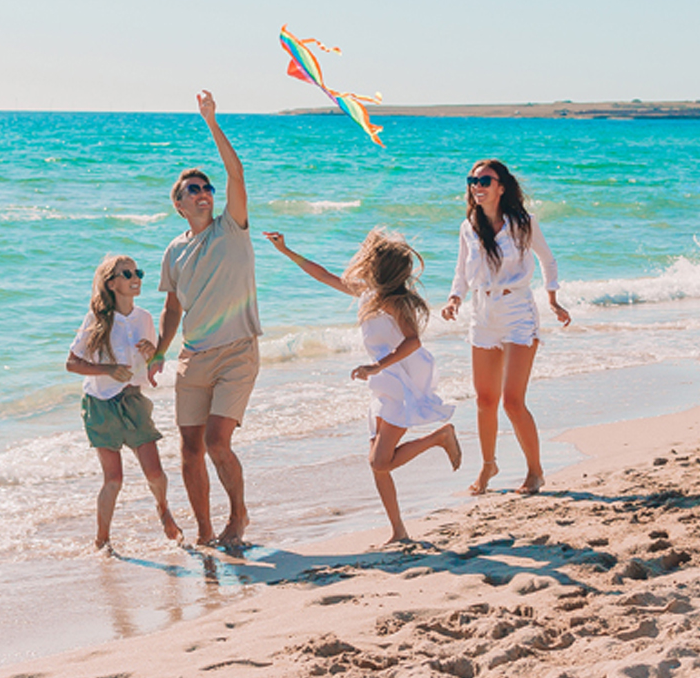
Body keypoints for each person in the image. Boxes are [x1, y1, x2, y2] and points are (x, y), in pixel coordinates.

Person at [264, 228, 463, 543]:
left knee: (379, 461)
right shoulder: (367, 293)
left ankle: (440, 436)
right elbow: (324, 276)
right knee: (378, 465)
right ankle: (398, 531)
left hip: (401, 383)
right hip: (384, 383)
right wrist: (286, 251)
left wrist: (376, 366)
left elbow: (413, 341)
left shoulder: (395, 302)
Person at [148, 90, 260, 548]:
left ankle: (238, 516)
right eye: (193, 190)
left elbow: (236, 173)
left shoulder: (231, 227)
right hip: (192, 358)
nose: (204, 193)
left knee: (217, 442)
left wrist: (211, 122)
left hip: (237, 352)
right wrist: (158, 351)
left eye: (206, 187)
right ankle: (205, 531)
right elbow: (173, 307)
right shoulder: (174, 251)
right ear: (178, 204)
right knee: (189, 452)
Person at [440, 159, 570, 495]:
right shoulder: (468, 226)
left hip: (517, 311)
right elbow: (460, 272)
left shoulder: (524, 223)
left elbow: (548, 259)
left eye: (485, 180)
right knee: (484, 400)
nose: (477, 186)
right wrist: (455, 298)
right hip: (482, 313)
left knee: (512, 401)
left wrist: (553, 299)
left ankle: (535, 471)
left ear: (501, 186)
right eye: (473, 180)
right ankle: (488, 467)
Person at [66, 254, 183, 550]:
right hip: (99, 403)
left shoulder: (144, 317)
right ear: (111, 283)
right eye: (127, 273)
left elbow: (154, 367)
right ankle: (102, 541)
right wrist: (107, 370)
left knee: (154, 472)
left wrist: (152, 355)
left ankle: (163, 509)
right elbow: (71, 363)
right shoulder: (96, 319)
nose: (136, 278)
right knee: (114, 480)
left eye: (138, 272)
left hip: (133, 400)